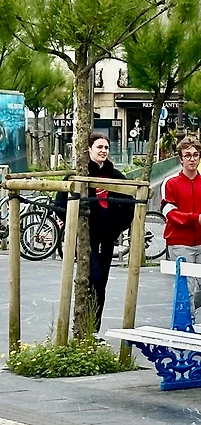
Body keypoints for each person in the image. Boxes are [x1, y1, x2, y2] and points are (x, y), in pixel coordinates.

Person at [57, 132, 132, 331]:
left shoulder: (116, 177)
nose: (103, 151)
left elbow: (130, 206)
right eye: (99, 147)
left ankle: (93, 329)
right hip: (84, 239)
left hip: (106, 239)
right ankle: (82, 327)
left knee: (101, 284)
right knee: (93, 279)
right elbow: (59, 205)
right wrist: (75, 217)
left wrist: (116, 227)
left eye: (106, 147)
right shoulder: (77, 176)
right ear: (89, 149)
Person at [161, 135, 201, 309]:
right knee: (186, 287)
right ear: (180, 159)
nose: (192, 159)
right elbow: (169, 213)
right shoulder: (170, 183)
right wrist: (196, 218)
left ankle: (186, 311)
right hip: (179, 242)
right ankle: (188, 319)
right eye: (187, 155)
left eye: (195, 155)